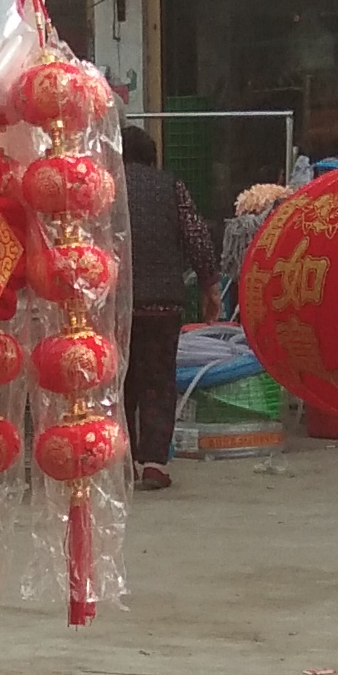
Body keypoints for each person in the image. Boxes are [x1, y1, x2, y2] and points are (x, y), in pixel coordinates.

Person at [120, 123, 219, 486]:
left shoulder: (105, 186)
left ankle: (123, 461)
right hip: (162, 303)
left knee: (120, 382)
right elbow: (197, 236)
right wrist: (210, 285)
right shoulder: (170, 186)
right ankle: (153, 464)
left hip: (116, 303)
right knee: (158, 381)